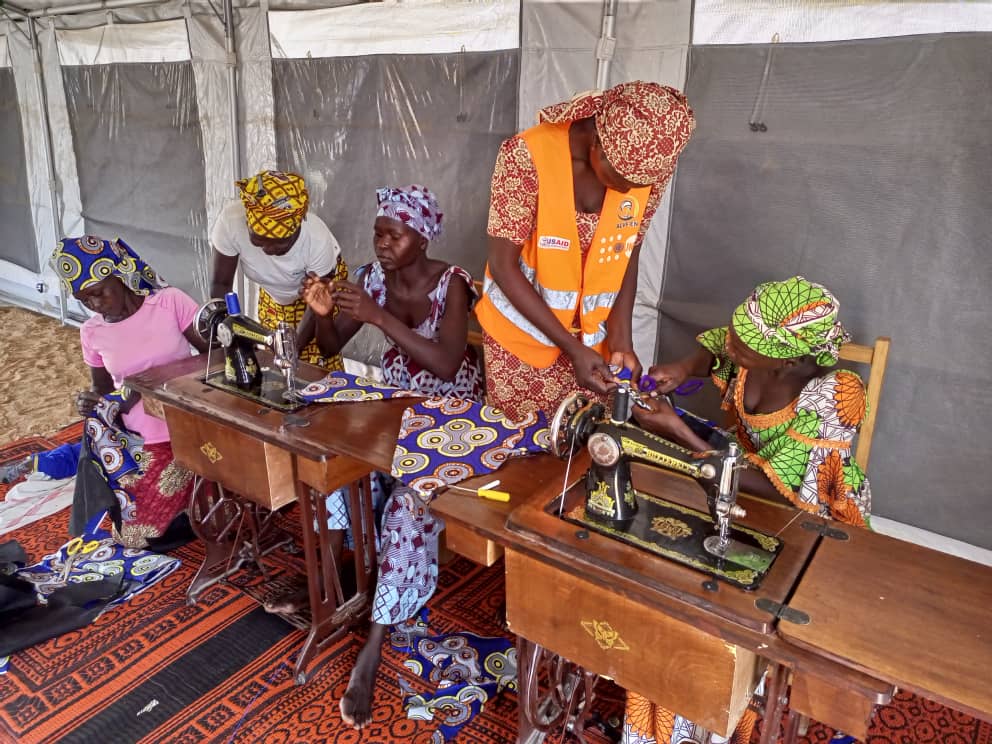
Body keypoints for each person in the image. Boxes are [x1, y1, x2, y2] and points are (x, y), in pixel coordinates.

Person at [622, 276, 872, 744]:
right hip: (736, 487)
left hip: (807, 519)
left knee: (738, 617)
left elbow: (784, 489)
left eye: (746, 346)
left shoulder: (835, 396)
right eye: (737, 335)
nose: (733, 346)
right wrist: (681, 367)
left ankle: (722, 705)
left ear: (790, 360)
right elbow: (717, 345)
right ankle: (666, 688)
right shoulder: (748, 346)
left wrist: (680, 432)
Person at [301, 185, 483, 730]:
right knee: (338, 471)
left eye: (394, 234)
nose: (381, 243)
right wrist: (324, 313)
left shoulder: (453, 285)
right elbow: (332, 348)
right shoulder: (371, 279)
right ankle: (339, 589)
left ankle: (373, 648)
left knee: (406, 507)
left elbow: (449, 364)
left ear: (421, 236)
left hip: (452, 420)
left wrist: (380, 319)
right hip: (394, 409)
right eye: (379, 231)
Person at [475, 81, 695, 422]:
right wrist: (571, 346)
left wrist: (621, 342)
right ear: (597, 143)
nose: (629, 190)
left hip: (593, 348)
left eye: (640, 185)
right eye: (622, 179)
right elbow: (502, 266)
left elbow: (628, 251)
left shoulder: (647, 168)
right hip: (521, 343)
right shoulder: (526, 156)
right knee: (524, 452)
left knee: (585, 451)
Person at [51, 236, 209, 548]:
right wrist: (91, 402)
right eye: (85, 300)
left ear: (118, 275)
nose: (95, 305)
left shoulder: (168, 302)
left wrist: (156, 380)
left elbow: (213, 354)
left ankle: (199, 507)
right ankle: (195, 511)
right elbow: (103, 391)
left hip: (190, 425)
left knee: (216, 491)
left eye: (98, 293)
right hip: (142, 436)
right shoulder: (92, 332)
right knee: (135, 536)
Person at [209, 169, 348, 370]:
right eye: (259, 242)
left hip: (317, 295)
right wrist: (224, 331)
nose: (268, 251)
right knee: (271, 356)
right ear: (248, 223)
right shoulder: (230, 223)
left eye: (280, 244)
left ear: (298, 227)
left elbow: (317, 305)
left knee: (315, 366)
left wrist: (292, 350)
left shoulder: (317, 240)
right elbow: (221, 284)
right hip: (273, 293)